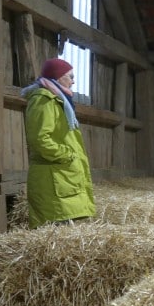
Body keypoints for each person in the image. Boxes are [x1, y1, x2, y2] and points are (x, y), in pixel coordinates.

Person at [21, 58, 95, 228]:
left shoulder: (59, 99)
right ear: (58, 77)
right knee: (53, 230)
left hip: (62, 176)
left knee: (63, 231)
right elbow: (39, 139)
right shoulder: (44, 100)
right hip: (53, 177)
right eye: (70, 76)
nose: (74, 81)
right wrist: (67, 154)